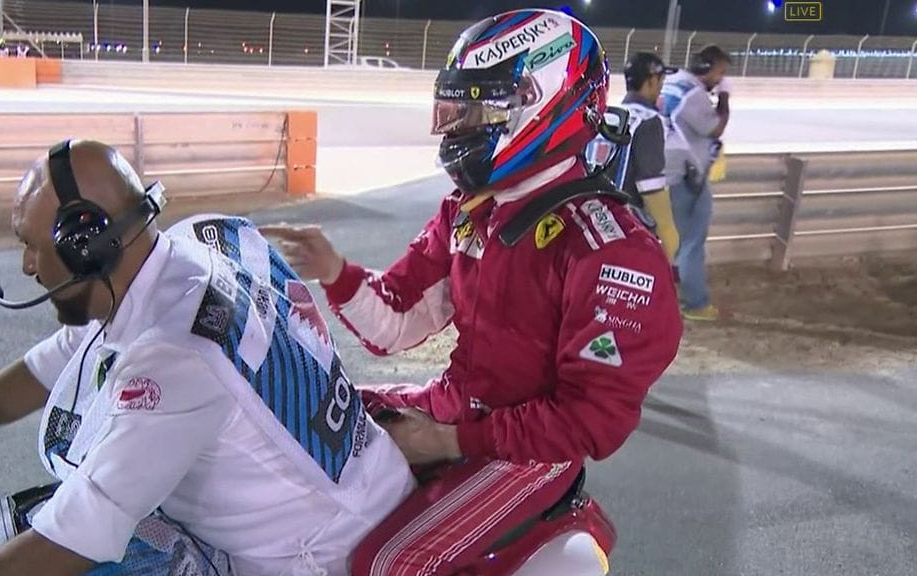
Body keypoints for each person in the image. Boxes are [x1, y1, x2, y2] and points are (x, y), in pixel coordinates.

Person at [261, 9, 683, 575]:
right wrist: (334, 270)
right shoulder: (468, 212)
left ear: (543, 106)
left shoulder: (612, 250)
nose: (458, 129)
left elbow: (591, 419)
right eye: (456, 110)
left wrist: (448, 441)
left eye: (480, 110)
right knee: (298, 409)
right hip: (456, 406)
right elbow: (395, 324)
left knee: (389, 564)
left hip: (533, 455)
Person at [0, 140, 414, 575]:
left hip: (324, 551)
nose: (28, 266)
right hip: (356, 489)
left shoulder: (175, 357)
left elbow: (78, 533)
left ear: (86, 249)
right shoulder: (182, 254)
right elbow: (49, 367)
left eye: (32, 246)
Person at [659, 44, 732, 321]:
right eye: (720, 73)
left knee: (671, 238)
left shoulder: (672, 82)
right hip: (686, 176)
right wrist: (724, 97)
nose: (720, 79)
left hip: (663, 173)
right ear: (705, 69)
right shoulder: (694, 94)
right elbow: (716, 127)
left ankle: (669, 286)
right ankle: (696, 303)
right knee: (692, 242)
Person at [597, 51, 681, 264]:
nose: (661, 86)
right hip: (629, 226)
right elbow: (651, 186)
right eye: (660, 80)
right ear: (651, 81)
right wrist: (668, 232)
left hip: (597, 220)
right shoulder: (649, 121)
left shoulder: (610, 115)